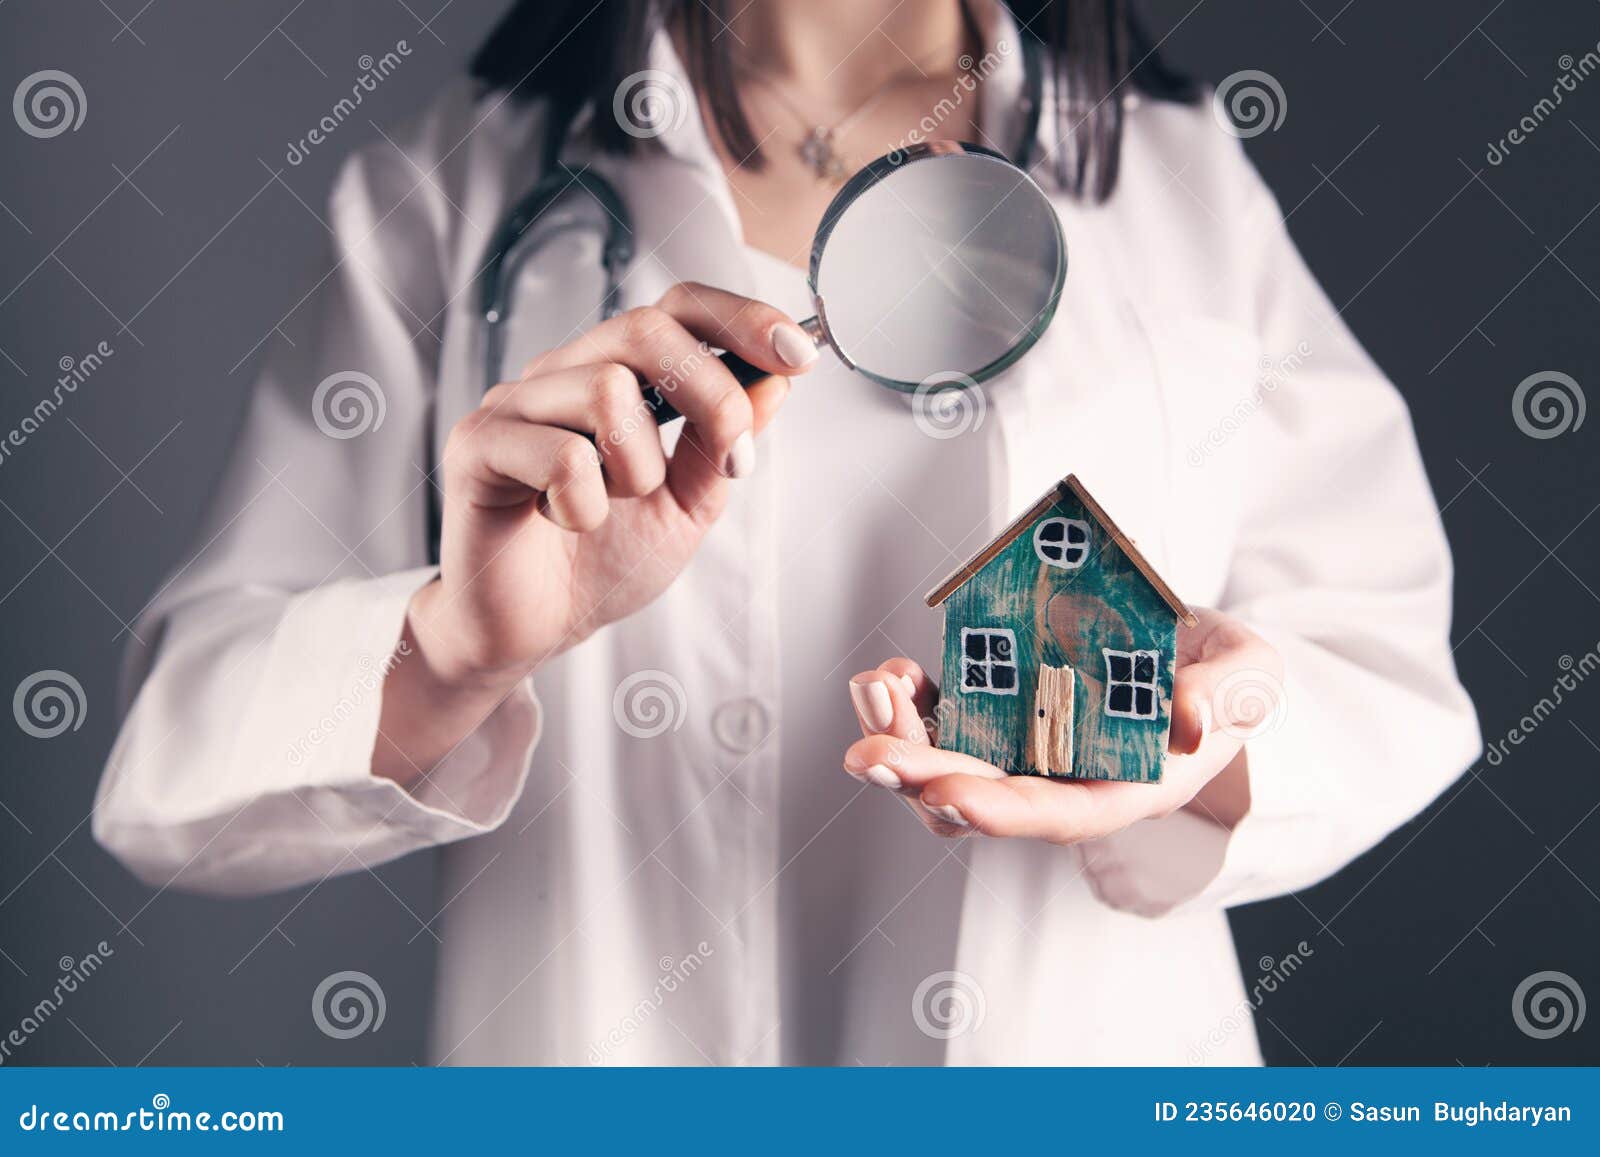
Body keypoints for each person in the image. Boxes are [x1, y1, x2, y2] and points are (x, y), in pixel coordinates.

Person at [94, 0, 1480, 1065]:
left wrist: (1194, 738)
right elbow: (174, 758)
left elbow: (1386, 662)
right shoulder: (450, 190)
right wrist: (454, 645)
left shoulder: (1178, 183)